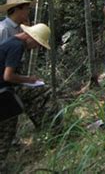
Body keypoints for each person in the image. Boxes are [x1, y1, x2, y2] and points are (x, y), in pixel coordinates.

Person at [0, 23, 59, 168]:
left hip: (5, 91)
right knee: (6, 130)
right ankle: (53, 128)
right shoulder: (17, 47)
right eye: (37, 44)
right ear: (31, 37)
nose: (36, 48)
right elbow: (8, 76)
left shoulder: (11, 42)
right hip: (3, 93)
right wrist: (28, 80)